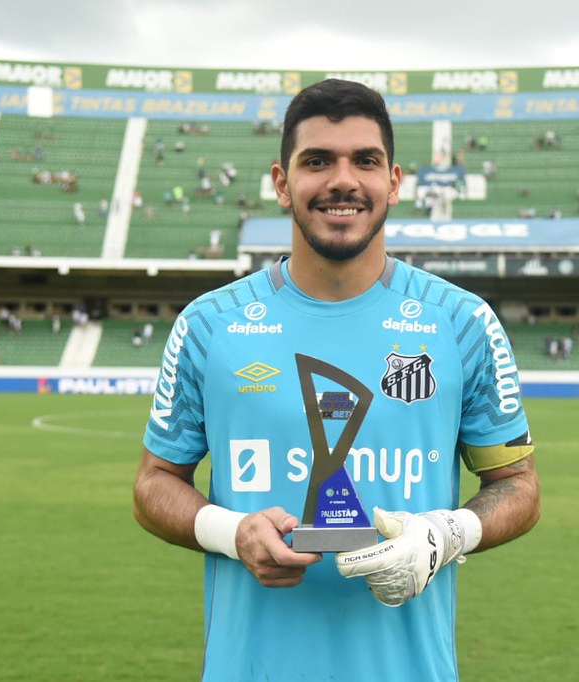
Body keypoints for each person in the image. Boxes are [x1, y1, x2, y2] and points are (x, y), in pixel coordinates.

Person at [133, 79, 540, 682]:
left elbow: (519, 486)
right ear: (281, 181)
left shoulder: (462, 323)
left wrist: (445, 533)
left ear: (394, 182)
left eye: (365, 161)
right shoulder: (208, 325)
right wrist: (230, 532)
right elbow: (153, 484)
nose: (342, 180)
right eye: (317, 161)